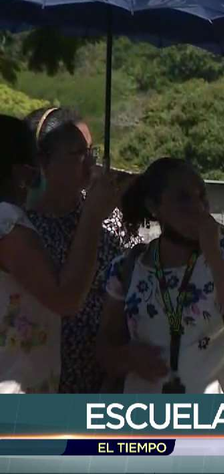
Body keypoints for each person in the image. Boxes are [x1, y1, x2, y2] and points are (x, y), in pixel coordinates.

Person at [96, 158, 224, 394]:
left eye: (202, 197)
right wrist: (127, 357)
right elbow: (104, 348)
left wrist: (213, 254)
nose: (197, 208)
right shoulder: (128, 268)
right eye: (183, 199)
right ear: (154, 207)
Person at [23, 107, 141, 393]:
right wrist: (91, 218)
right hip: (42, 382)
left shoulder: (110, 217)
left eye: (92, 152)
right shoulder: (22, 229)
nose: (90, 165)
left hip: (108, 384)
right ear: (42, 161)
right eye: (77, 155)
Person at [0, 115, 121, 393]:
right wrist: (91, 217)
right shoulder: (7, 223)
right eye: (78, 154)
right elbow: (66, 298)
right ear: (24, 170)